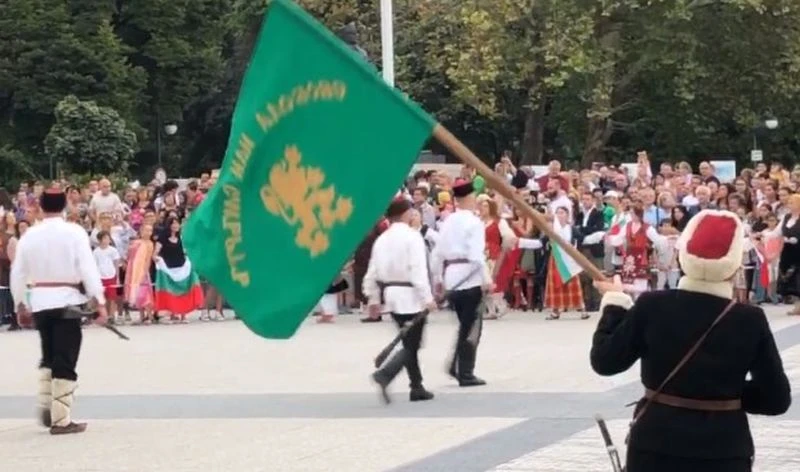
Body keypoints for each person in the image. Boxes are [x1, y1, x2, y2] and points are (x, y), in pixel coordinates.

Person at [591, 209, 791, 472]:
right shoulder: (749, 319)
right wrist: (723, 391)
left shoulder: (652, 306)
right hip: (723, 450)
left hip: (655, 445)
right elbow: (775, 399)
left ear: (684, 255)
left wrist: (615, 305)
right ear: (733, 264)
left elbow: (606, 361)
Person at [10, 188, 108, 435]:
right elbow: (87, 268)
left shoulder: (30, 235)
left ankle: (46, 402)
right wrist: (100, 300)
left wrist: (20, 303)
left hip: (41, 300)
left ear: (41, 207)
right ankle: (61, 418)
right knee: (66, 356)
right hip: (67, 300)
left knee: (49, 353)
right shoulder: (74, 232)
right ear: (64, 205)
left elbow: (18, 272)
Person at [364, 198, 437, 403]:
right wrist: (427, 298)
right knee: (412, 343)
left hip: (392, 295)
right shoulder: (412, 237)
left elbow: (372, 272)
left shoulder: (382, 239)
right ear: (405, 214)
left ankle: (417, 386)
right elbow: (417, 270)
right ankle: (386, 374)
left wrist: (373, 298)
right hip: (411, 295)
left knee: (408, 341)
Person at [431, 179, 491, 387]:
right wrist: (486, 279)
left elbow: (437, 254)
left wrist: (438, 278)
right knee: (472, 327)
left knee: (464, 325)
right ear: (469, 198)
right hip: (469, 276)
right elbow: (476, 255)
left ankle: (456, 365)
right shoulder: (473, 222)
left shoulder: (447, 221)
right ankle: (465, 372)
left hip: (452, 275)